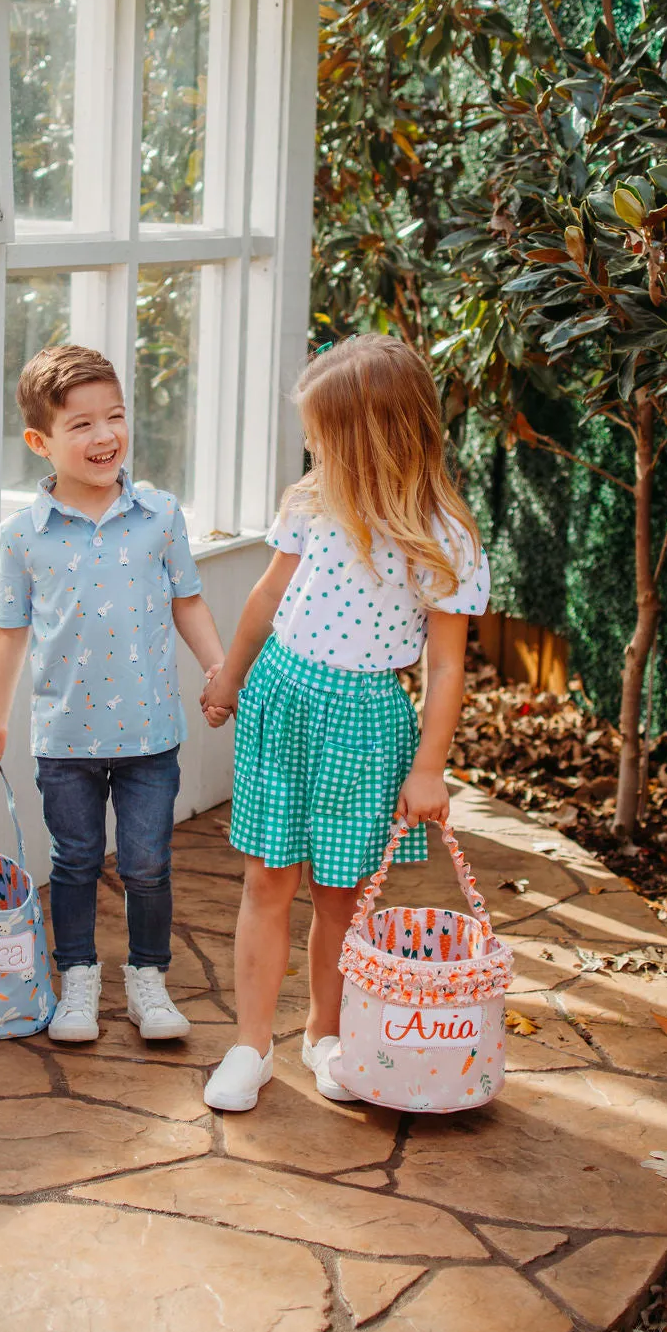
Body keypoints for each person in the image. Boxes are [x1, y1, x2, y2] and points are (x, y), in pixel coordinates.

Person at [200, 334, 490, 1111]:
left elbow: (448, 665)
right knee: (268, 880)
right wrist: (230, 675)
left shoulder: (444, 537)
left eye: (320, 429)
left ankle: (325, 1036)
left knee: (341, 895)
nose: (308, 442)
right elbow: (266, 596)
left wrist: (429, 767)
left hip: (367, 723)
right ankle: (249, 1046)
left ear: (370, 436)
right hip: (284, 698)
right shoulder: (310, 500)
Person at [0, 344, 225, 1045]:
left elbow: (189, 603)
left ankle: (148, 980)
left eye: (114, 417)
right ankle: (77, 977)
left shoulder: (159, 515)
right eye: (80, 425)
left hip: (150, 735)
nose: (104, 435)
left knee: (147, 864)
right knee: (75, 861)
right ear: (40, 442)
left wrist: (218, 669)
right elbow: (7, 632)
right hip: (65, 738)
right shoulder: (23, 536)